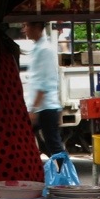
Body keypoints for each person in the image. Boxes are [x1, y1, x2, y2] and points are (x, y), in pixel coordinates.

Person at [22, 21, 64, 157]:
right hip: (42, 107)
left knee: (54, 146)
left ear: (37, 27)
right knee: (48, 146)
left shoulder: (44, 49)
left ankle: (63, 169)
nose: (24, 29)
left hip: (45, 107)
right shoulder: (37, 48)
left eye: (27, 25)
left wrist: (34, 109)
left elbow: (43, 83)